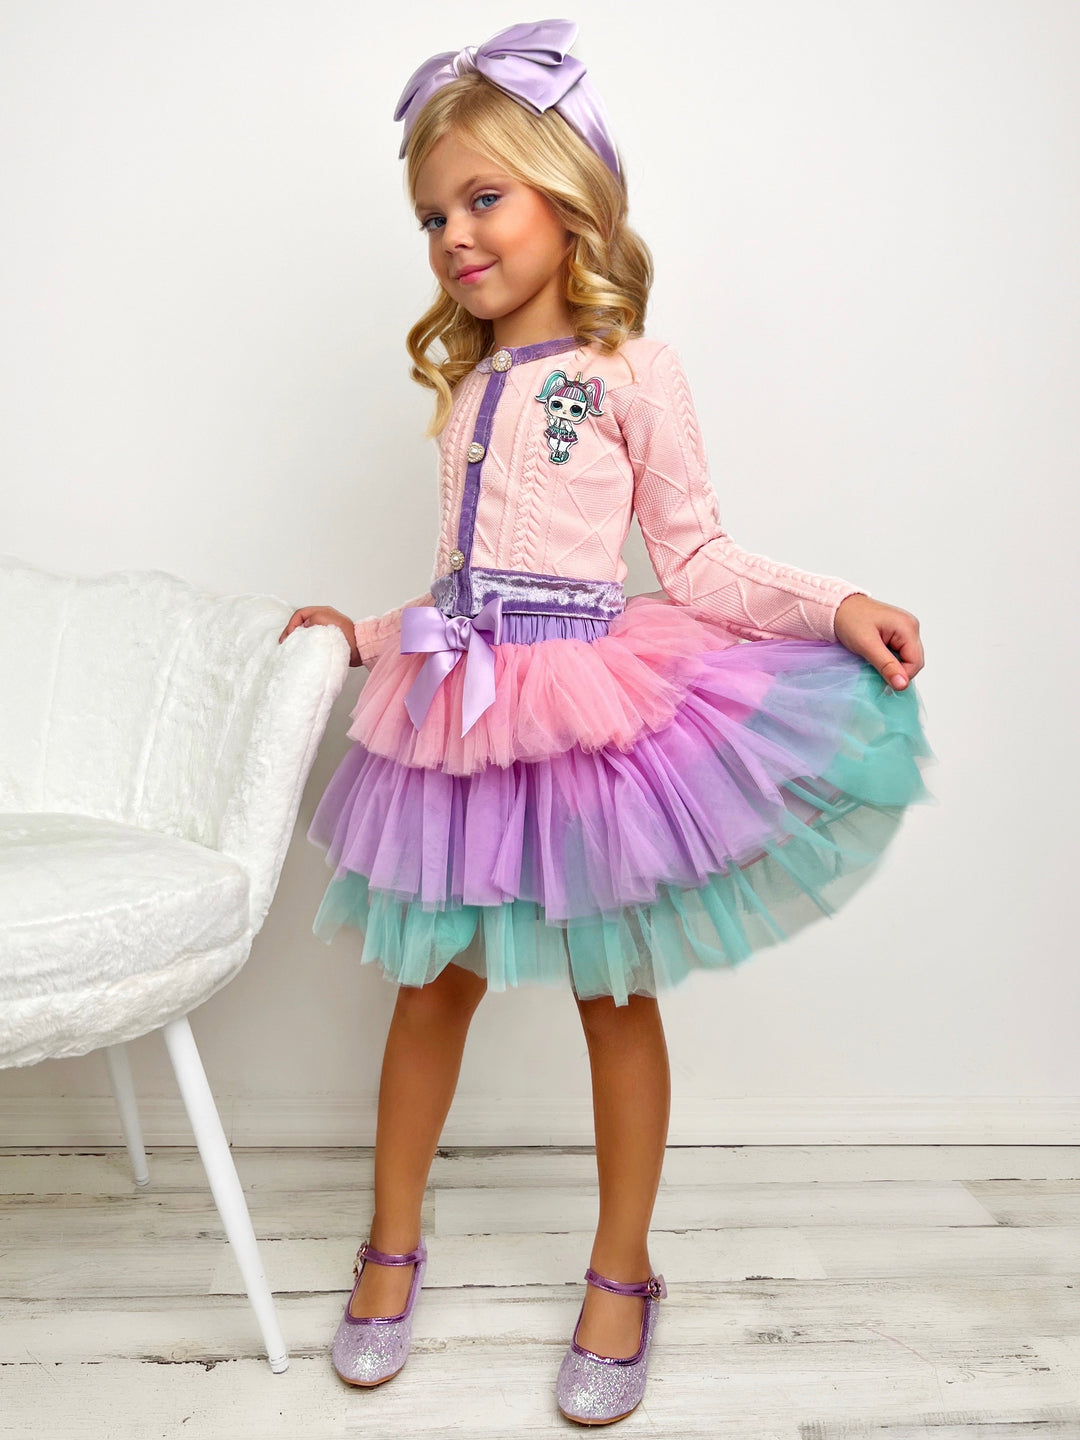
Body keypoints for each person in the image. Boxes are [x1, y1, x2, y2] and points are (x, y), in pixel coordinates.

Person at [278, 18, 934, 1425]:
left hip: (588, 716)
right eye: (432, 215)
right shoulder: (467, 385)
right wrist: (365, 635)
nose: (454, 235)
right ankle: (389, 1250)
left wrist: (833, 603)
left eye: (482, 198)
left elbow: (697, 560)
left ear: (567, 196)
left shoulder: (635, 370)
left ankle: (623, 1270)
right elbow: (459, 585)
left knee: (614, 990)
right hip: (465, 713)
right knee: (431, 984)